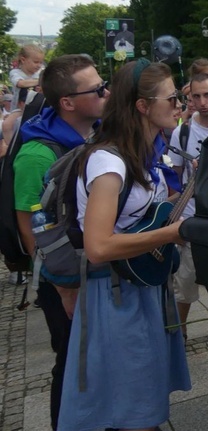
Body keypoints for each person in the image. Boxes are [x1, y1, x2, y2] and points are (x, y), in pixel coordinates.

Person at [58, 59, 191, 431]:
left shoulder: (145, 156)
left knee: (143, 402)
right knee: (132, 411)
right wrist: (170, 235)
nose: (180, 105)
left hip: (139, 290)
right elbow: (98, 246)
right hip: (115, 297)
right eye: (173, 97)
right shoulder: (108, 163)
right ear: (142, 106)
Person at [12, 54, 109, 430]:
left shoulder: (97, 133)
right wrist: (63, 285)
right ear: (67, 102)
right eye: (97, 89)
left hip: (95, 266)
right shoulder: (37, 153)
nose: (105, 92)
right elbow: (31, 225)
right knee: (71, 360)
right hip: (64, 280)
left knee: (98, 358)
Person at [168, 72, 208, 340]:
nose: (202, 102)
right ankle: (179, 335)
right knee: (184, 283)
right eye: (196, 96)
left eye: (207, 95)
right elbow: (175, 179)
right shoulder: (183, 131)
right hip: (190, 216)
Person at [9, 44, 44, 109]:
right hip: (18, 110)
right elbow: (20, 83)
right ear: (23, 60)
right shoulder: (15, 73)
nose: (39, 65)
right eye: (36, 62)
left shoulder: (39, 73)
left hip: (35, 107)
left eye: (41, 62)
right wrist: (41, 81)